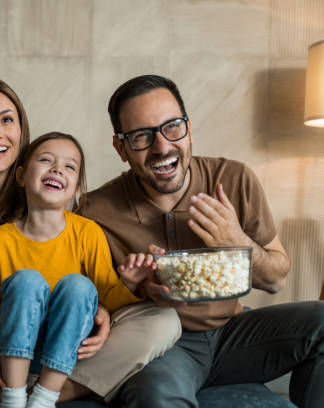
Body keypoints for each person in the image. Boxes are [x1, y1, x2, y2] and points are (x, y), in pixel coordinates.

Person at [0, 79, 178, 407]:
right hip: (0, 333)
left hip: (69, 330)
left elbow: (93, 284)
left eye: (6, 120)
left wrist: (105, 309)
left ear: (21, 129)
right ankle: (30, 392)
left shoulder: (53, 193)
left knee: (164, 321)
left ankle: (34, 394)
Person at [78, 74, 324, 408]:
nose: (162, 146)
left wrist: (238, 242)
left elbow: (277, 279)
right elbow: (91, 306)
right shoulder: (93, 211)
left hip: (235, 333)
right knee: (155, 395)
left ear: (189, 129)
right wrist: (137, 291)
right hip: (165, 346)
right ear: (121, 148)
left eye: (173, 127)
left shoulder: (234, 179)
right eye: (141, 136)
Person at [0, 132, 160, 408]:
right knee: (26, 281)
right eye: (46, 160)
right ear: (21, 175)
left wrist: (129, 283)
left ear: (75, 187)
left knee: (80, 286)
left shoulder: (87, 232)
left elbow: (103, 299)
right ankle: (13, 398)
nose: (57, 169)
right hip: (12, 350)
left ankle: (43, 398)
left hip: (69, 354)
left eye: (69, 166)